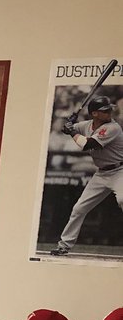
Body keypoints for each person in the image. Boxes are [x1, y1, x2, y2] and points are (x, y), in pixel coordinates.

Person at [51, 96, 123, 256]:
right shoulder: (86, 125)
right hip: (101, 173)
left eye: (110, 109)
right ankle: (64, 246)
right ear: (95, 114)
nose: (110, 112)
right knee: (79, 208)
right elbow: (66, 129)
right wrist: (68, 123)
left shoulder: (113, 128)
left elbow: (88, 144)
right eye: (105, 111)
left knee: (122, 200)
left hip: (120, 171)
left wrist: (71, 131)